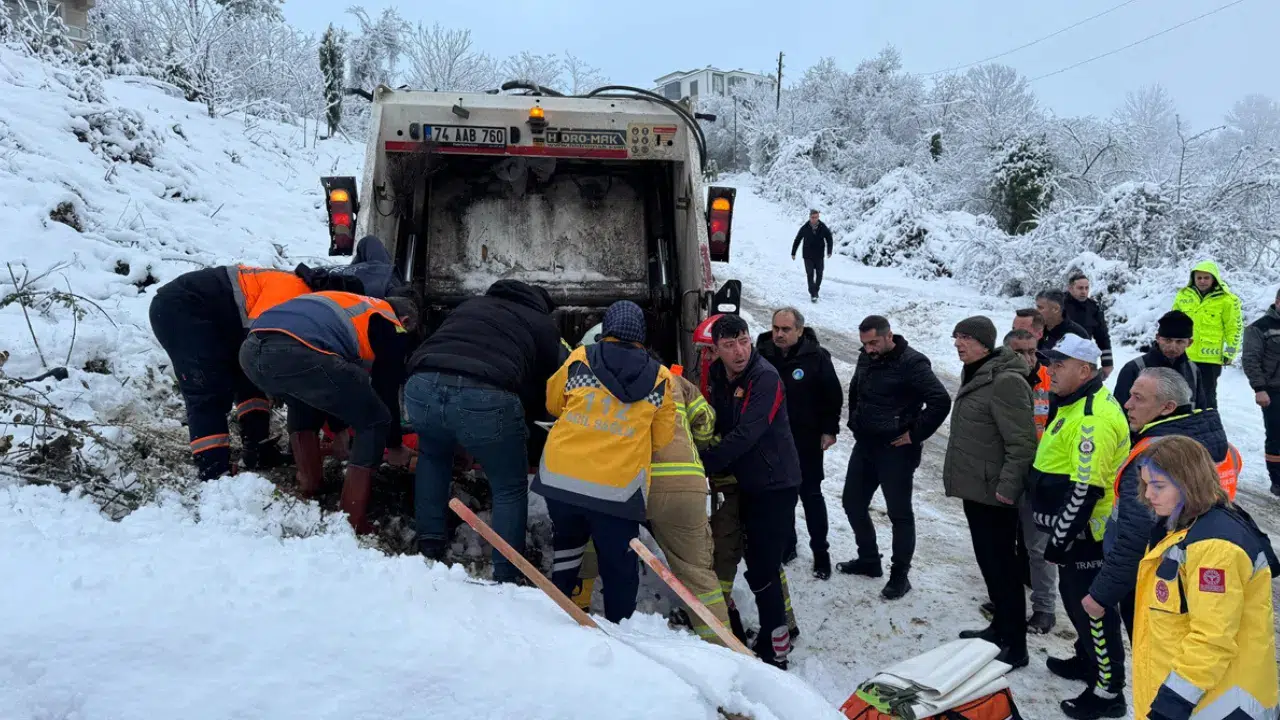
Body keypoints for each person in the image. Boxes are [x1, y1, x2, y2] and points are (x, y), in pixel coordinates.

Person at [403, 279, 565, 581]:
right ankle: (506, 573)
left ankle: (429, 545)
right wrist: (529, 438)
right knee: (508, 486)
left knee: (433, 457)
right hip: (487, 394)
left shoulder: (471, 305)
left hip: (421, 383)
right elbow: (541, 389)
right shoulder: (542, 324)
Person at [533, 301, 676, 623]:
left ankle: (556, 617)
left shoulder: (580, 358)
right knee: (618, 564)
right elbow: (664, 438)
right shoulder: (661, 378)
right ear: (641, 334)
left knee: (568, 547)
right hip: (618, 491)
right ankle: (620, 629)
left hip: (561, 479)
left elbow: (553, 403)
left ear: (608, 328)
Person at [238, 290, 418, 533]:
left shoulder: (353, 302)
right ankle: (351, 519)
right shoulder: (390, 323)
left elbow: (332, 380)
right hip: (298, 353)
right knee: (376, 420)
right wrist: (395, 445)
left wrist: (338, 429)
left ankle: (310, 483)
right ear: (405, 322)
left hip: (251, 351)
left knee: (303, 400)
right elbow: (384, 389)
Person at [1130, 435, 1279, 720]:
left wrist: (1170, 706)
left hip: (1216, 706)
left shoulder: (1214, 548)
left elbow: (1212, 638)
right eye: (1146, 484)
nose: (1148, 495)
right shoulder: (1181, 528)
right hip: (1196, 697)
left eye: (1158, 486)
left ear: (1189, 483)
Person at [1085, 368, 1232, 640]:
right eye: (1130, 396)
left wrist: (1102, 594)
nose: (1127, 404)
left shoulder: (1152, 458)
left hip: (1157, 582)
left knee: (1155, 665)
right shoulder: (1213, 444)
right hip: (1204, 576)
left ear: (1167, 408)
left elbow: (1134, 537)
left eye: (1138, 398)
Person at [1029, 334, 1130, 720]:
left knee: (1094, 612)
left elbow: (1086, 491)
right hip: (1074, 535)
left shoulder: (1093, 419)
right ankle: (1087, 661)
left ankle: (1108, 692)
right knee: (1076, 606)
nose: (1050, 370)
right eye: (1049, 363)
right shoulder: (1073, 402)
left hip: (1088, 538)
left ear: (1084, 370)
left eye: (1059, 364)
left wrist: (1059, 540)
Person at [701, 313, 803, 669]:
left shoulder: (766, 378)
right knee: (743, 557)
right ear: (716, 350)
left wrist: (705, 461)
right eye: (729, 345)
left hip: (775, 484)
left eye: (743, 341)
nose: (740, 351)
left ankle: (777, 648)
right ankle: (768, 632)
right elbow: (714, 419)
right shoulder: (717, 375)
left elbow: (747, 432)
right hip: (744, 482)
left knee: (763, 567)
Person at [149, 264, 313, 480]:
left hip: (223, 319)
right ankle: (214, 470)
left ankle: (257, 448)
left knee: (248, 378)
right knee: (207, 388)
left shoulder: (301, 292)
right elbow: (261, 343)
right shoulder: (295, 293)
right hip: (183, 308)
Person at [943, 316, 1037, 668]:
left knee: (1004, 568)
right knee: (990, 564)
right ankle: (999, 629)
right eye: (956, 336)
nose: (957, 343)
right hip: (978, 490)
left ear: (984, 342)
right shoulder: (978, 371)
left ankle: (1016, 645)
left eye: (964, 337)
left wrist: (1008, 489)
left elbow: (1022, 443)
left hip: (996, 494)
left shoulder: (1006, 381)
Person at [838, 315, 950, 600]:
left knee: (899, 514)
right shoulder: (867, 357)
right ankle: (869, 560)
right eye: (865, 344)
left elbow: (940, 400)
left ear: (890, 336)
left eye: (874, 342)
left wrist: (915, 433)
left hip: (897, 450)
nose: (869, 349)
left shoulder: (913, 363)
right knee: (852, 502)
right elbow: (857, 391)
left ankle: (900, 575)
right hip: (865, 445)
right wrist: (856, 421)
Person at [755, 307, 843, 579]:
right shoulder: (762, 352)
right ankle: (788, 544)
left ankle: (821, 553)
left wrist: (829, 430)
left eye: (786, 329)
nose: (779, 334)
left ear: (800, 331)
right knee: (782, 496)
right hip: (771, 439)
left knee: (810, 496)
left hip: (805, 438)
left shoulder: (816, 357)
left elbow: (833, 396)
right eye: (776, 328)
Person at [995, 328, 1057, 634]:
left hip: (1040, 476)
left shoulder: (1052, 380)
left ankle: (1045, 608)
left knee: (1038, 546)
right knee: (1003, 543)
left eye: (1033, 351)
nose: (1028, 358)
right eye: (1020, 352)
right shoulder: (995, 379)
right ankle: (1007, 600)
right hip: (1004, 472)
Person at [1171, 260, 1243, 409]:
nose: (1202, 281)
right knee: (1181, 394)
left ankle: (1209, 426)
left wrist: (1229, 353)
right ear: (1194, 279)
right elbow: (1172, 324)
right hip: (1184, 355)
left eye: (1206, 278)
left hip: (1210, 359)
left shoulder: (1228, 300)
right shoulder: (1183, 296)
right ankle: (1184, 426)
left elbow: (1234, 329)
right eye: (1199, 278)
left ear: (1214, 278)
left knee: (1207, 397)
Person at [1111, 310, 1208, 411]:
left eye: (1180, 342)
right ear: (1158, 338)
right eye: (1168, 340)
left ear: (1189, 343)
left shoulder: (1193, 370)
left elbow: (1200, 411)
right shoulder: (1134, 369)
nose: (1172, 347)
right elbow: (1119, 414)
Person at [1242, 286, 1280, 495]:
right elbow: (1250, 360)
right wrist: (1259, 389)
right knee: (1277, 437)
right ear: (1277, 301)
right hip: (1273, 390)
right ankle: (1277, 482)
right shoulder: (1258, 328)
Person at [1063, 273, 1114, 377]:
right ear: (1070, 288)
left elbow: (1102, 337)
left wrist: (1107, 363)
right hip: (1059, 358)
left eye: (1087, 288)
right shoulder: (1058, 305)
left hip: (1083, 358)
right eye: (1080, 288)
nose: (1084, 291)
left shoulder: (1093, 308)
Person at [790, 209, 834, 302]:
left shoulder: (823, 227)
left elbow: (829, 238)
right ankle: (813, 293)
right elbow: (797, 239)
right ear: (810, 217)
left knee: (819, 274)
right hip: (808, 256)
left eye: (816, 217)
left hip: (819, 255)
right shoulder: (805, 228)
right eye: (813, 217)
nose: (815, 219)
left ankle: (816, 290)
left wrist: (829, 251)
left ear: (818, 217)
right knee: (810, 274)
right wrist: (793, 252)